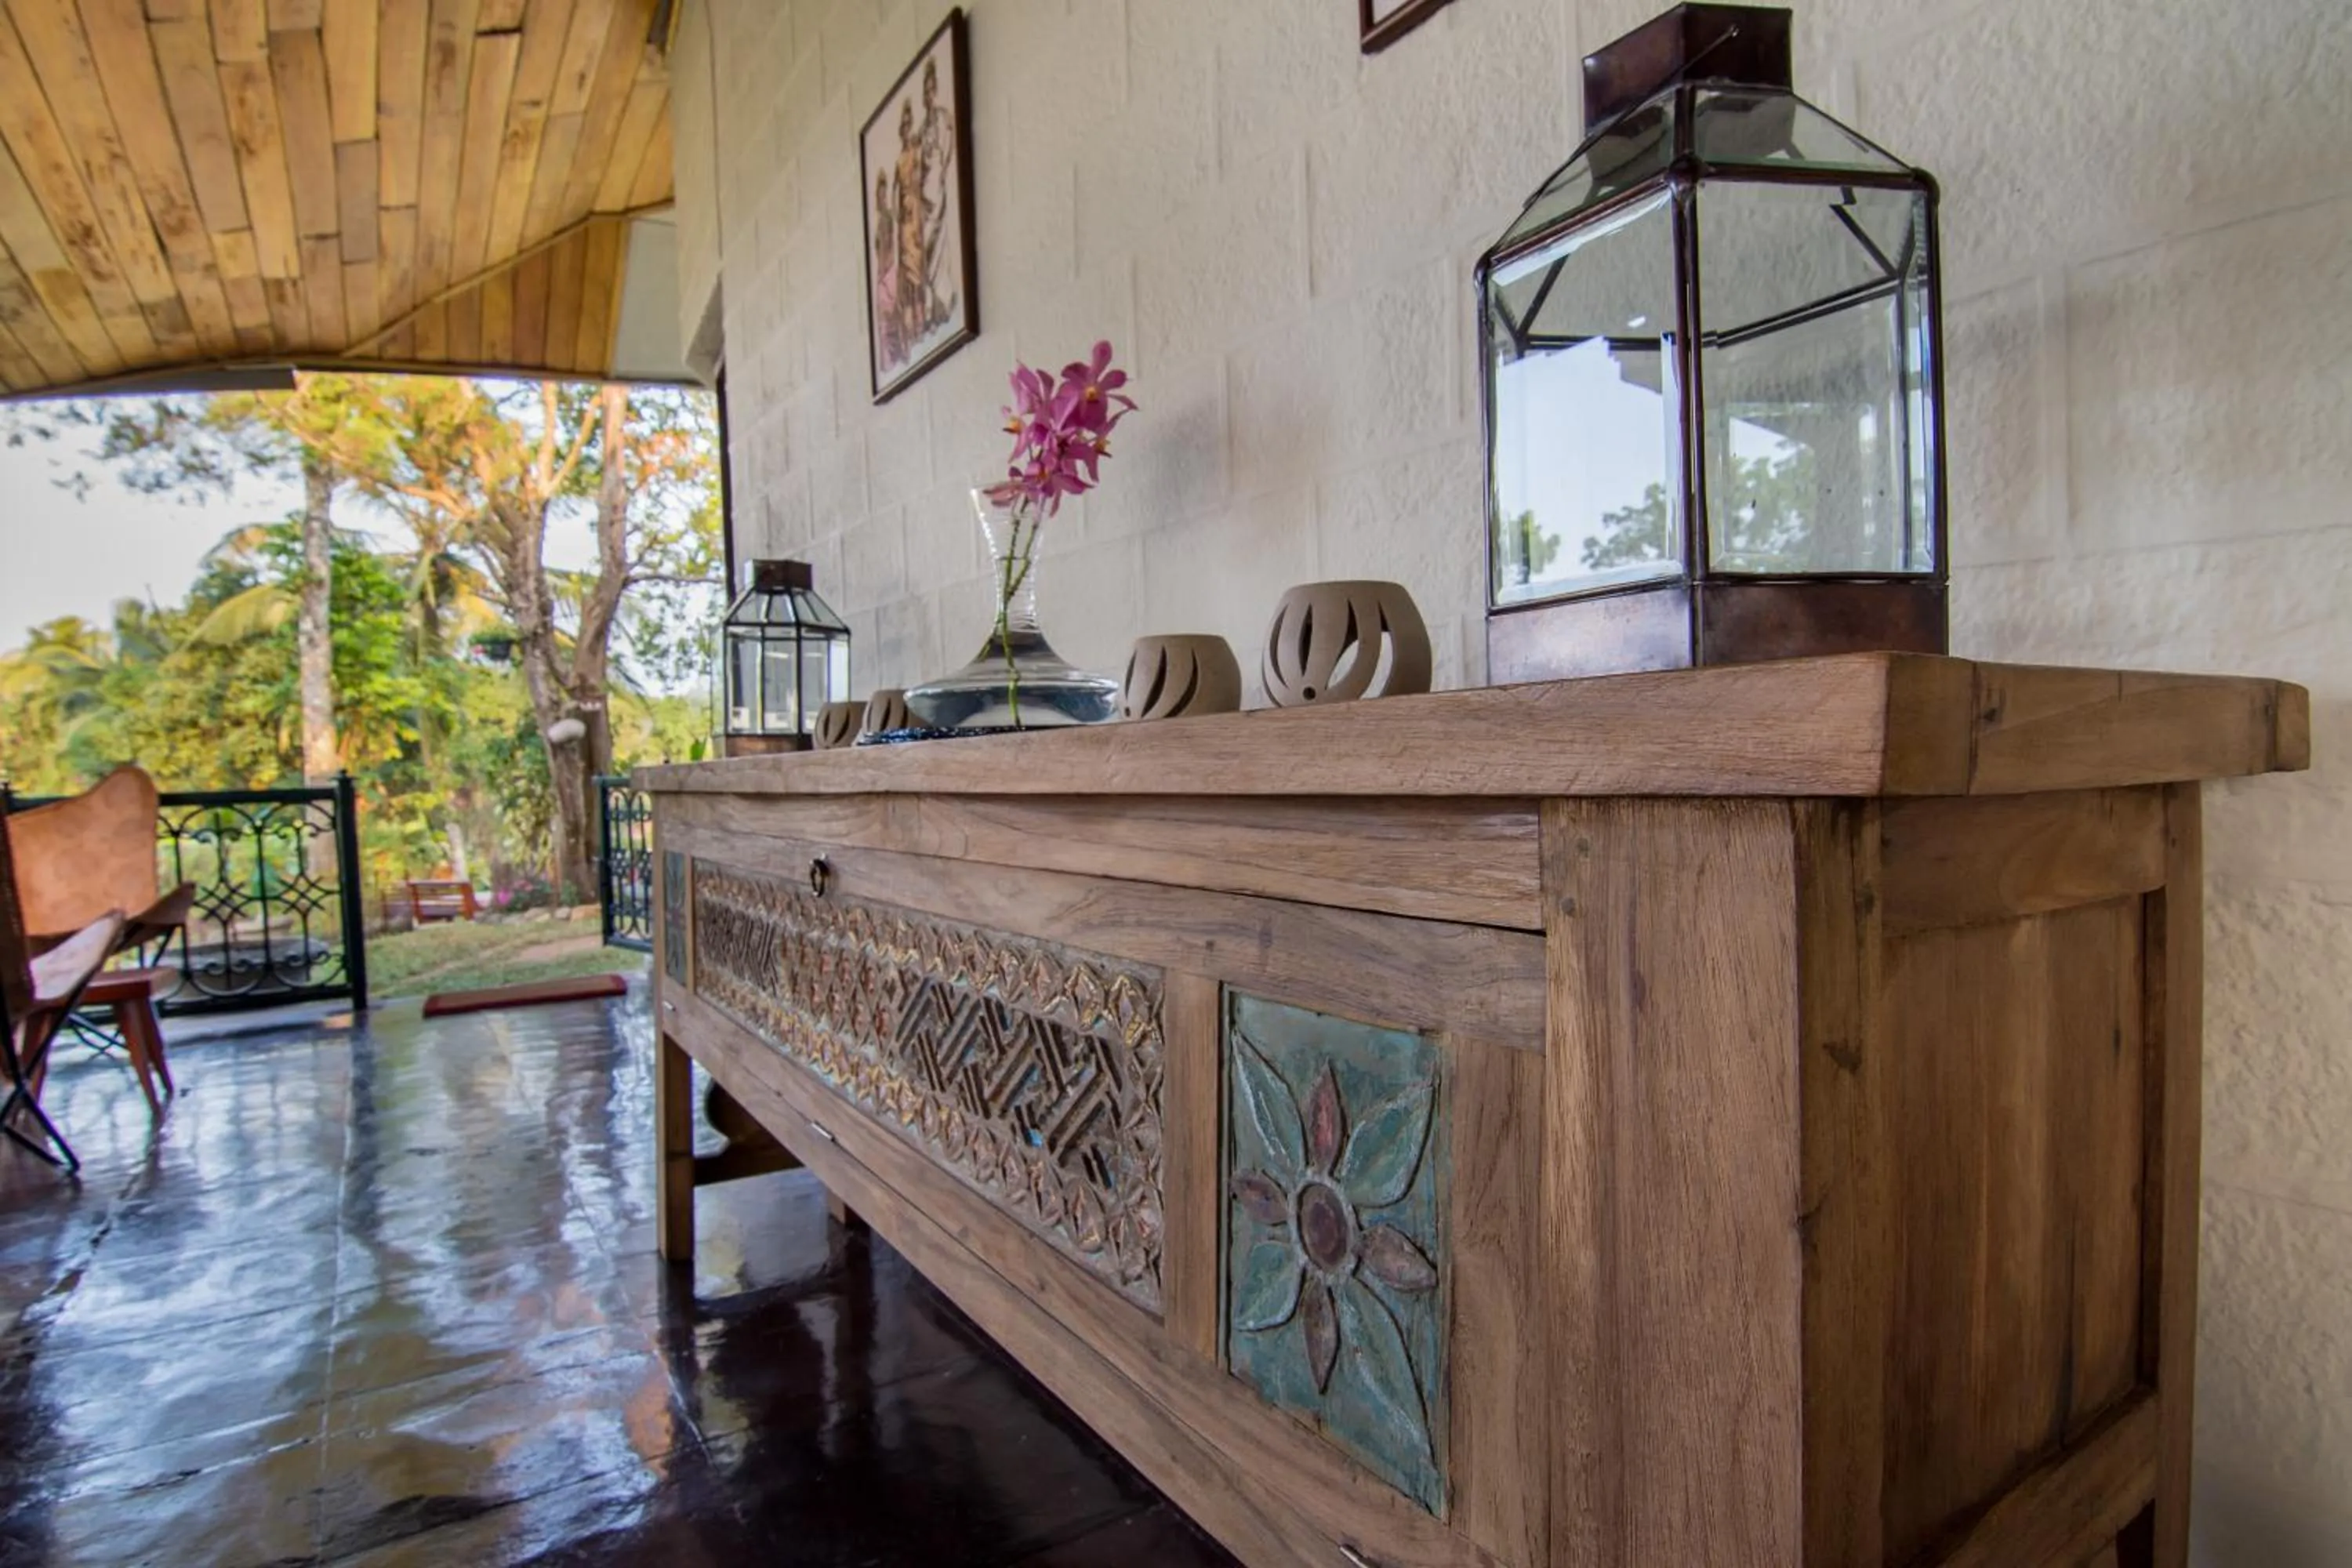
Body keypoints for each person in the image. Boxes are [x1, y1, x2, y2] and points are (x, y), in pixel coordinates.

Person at [915, 57, 959, 331]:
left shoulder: (944, 118)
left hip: (937, 189)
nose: (930, 95)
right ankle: (934, 307)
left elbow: (949, 146)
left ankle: (943, 301)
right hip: (923, 197)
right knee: (926, 253)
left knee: (939, 247)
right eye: (926, 91)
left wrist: (941, 173)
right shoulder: (921, 131)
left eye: (933, 89)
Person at [894, 98, 928, 350]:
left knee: (919, 267)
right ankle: (913, 325)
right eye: (903, 126)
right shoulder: (900, 161)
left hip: (916, 212)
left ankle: (921, 318)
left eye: (909, 124)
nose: (907, 129)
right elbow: (897, 191)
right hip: (906, 216)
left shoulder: (916, 150)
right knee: (908, 270)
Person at [871, 172, 902, 370]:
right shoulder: (879, 222)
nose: (881, 200)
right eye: (879, 196)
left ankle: (895, 354)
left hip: (889, 271)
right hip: (883, 275)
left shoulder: (888, 219)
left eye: (883, 195)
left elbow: (890, 246)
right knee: (884, 320)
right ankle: (889, 359)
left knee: (891, 314)